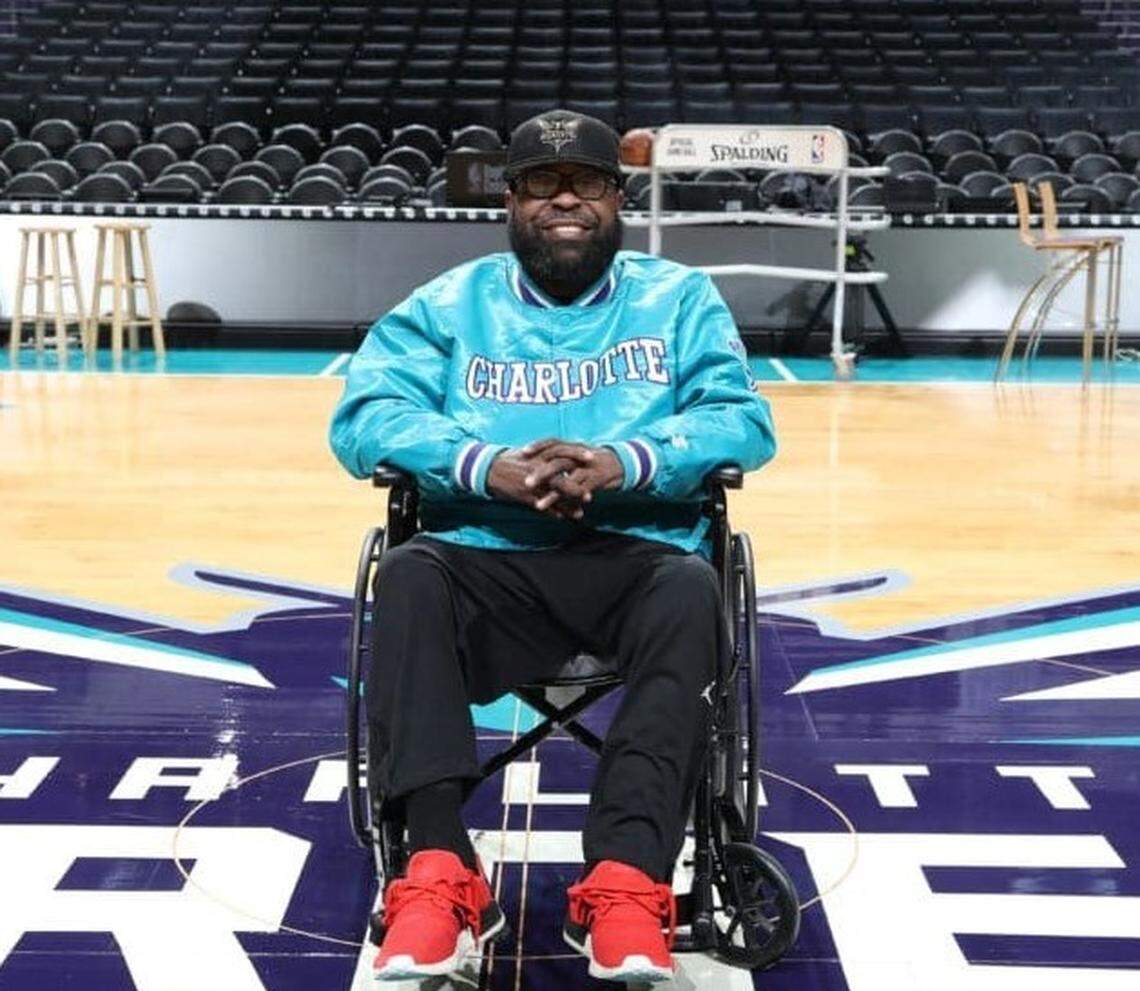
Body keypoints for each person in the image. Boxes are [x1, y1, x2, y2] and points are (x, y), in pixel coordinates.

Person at [329, 109, 776, 984]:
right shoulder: (451, 303)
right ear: (511, 199)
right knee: (411, 571)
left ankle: (627, 877)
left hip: (636, 555)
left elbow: (744, 422)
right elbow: (362, 417)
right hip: (484, 554)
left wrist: (623, 462)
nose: (564, 200)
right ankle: (438, 870)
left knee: (692, 588)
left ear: (619, 196)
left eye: (587, 183)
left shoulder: (679, 299)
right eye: (542, 183)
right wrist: (482, 464)